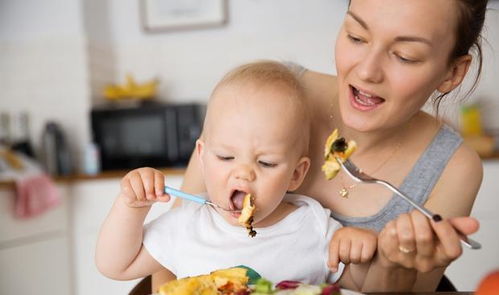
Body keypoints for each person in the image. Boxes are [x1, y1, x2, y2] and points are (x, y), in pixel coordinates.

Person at [152, 0, 487, 292]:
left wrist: (393, 264)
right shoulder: (266, 96)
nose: (367, 71)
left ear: (452, 72)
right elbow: (170, 252)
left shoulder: (453, 167)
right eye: (356, 36)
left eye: (405, 56)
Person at [96, 61, 406, 290]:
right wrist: (131, 207)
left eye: (267, 163)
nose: (243, 173)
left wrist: (362, 255)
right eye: (226, 157)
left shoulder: (314, 228)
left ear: (296, 175)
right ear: (202, 158)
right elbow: (115, 265)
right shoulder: (188, 224)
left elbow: (367, 287)